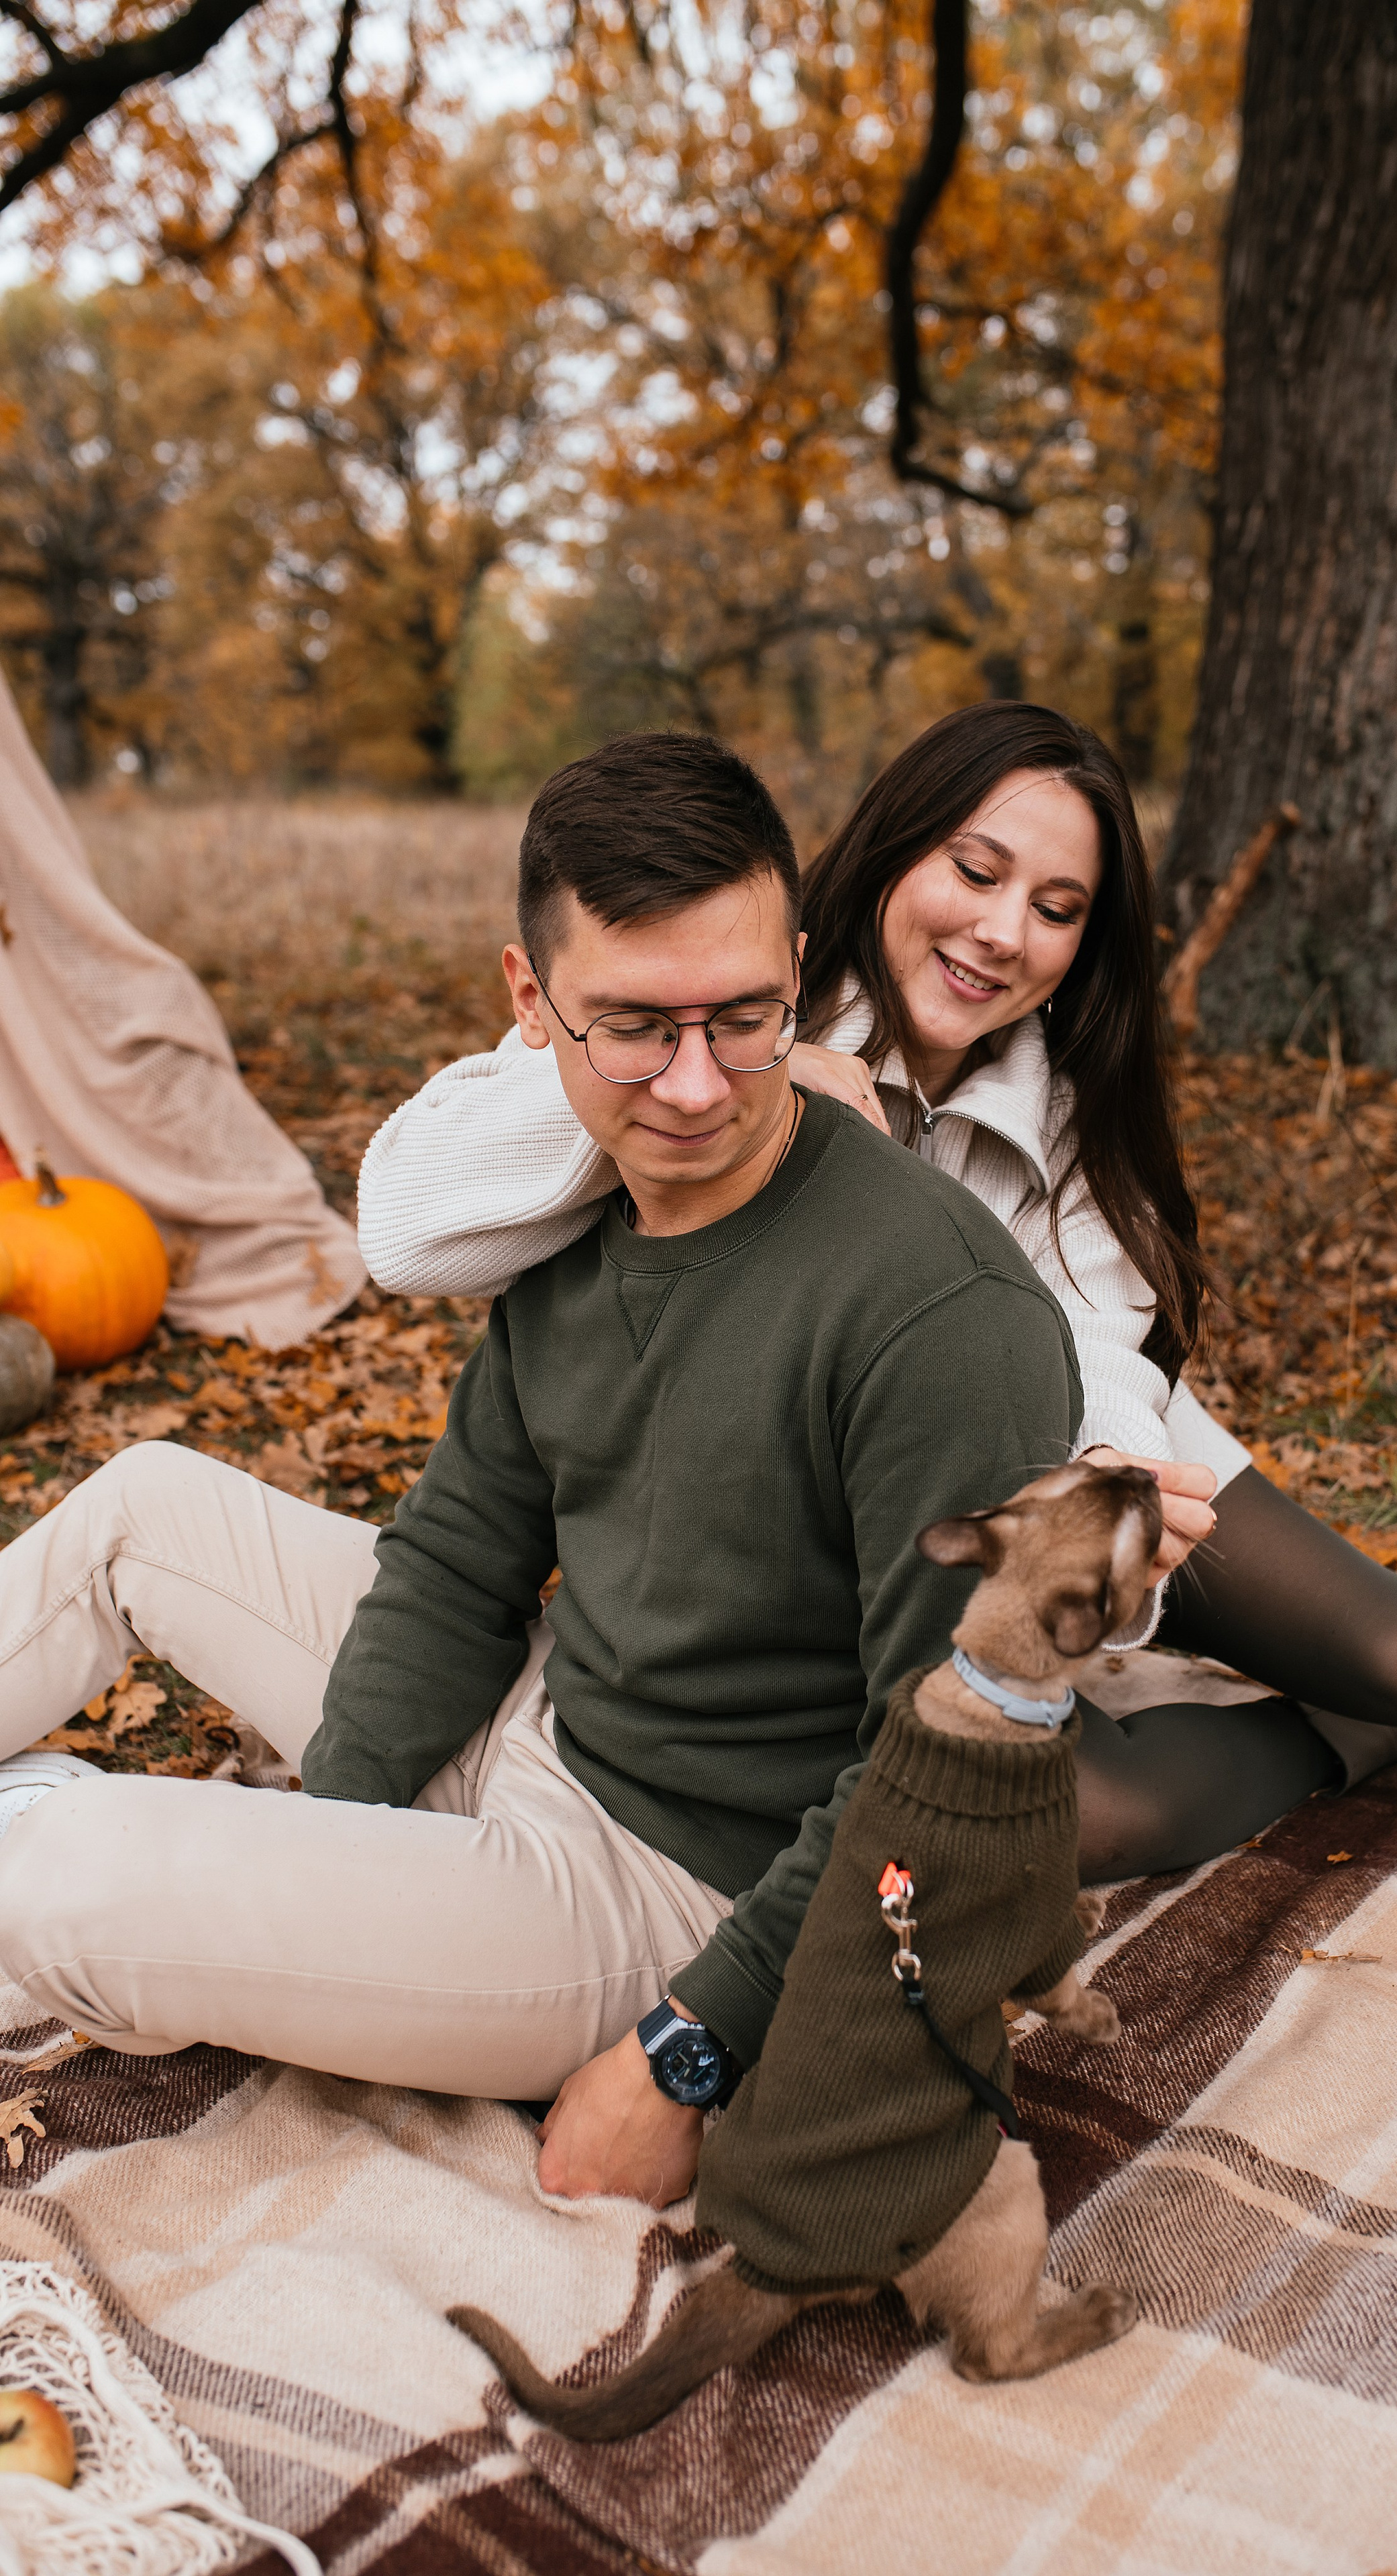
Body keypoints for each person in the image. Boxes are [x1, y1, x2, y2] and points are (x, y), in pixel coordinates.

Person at [0, 731, 1174, 2209]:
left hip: (677, 1887)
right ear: (529, 1002)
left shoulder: (938, 1314)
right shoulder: (581, 1206)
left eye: (745, 1018)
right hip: (549, 1711)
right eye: (631, 1026)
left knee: (57, 1879)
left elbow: (946, 1777)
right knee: (145, 1509)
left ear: (798, 969)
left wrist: (688, 2046)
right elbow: (459, 1555)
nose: (693, 1088)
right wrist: (342, 1837)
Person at [362, 700, 1397, 1880]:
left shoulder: (1057, 1112)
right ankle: (1336, 1733)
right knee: (1064, 1817)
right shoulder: (698, 1008)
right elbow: (406, 1229)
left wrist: (1112, 1489)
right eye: (976, 870)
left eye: (1057, 908)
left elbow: (1095, 1361)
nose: (1003, 932)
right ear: (895, 849)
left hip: (1054, 1463)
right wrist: (781, 1091)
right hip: (827, 1520)